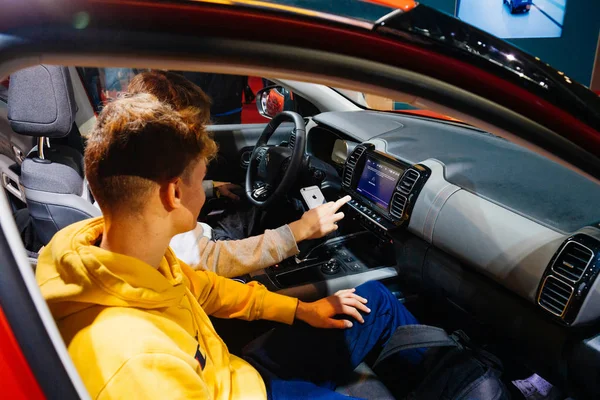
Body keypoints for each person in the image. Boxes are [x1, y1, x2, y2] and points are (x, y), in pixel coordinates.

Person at [36, 93, 423, 399]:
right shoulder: (134, 365)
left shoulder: (118, 251)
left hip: (233, 373)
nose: (205, 194)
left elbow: (206, 289)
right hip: (243, 389)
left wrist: (302, 310)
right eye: (201, 181)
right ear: (173, 193)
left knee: (377, 303)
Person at [128, 70, 343, 277]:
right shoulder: (155, 212)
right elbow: (209, 261)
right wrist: (298, 232)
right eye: (196, 128)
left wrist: (211, 188)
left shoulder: (140, 169)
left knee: (260, 206)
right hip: (211, 248)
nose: (202, 135)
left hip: (203, 234)